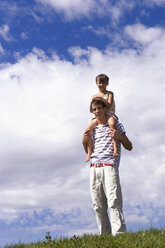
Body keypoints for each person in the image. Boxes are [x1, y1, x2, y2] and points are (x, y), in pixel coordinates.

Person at [82, 98, 132, 236]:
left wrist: (119, 137)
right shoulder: (91, 128)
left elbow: (129, 146)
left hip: (110, 165)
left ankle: (120, 234)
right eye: (94, 109)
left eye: (99, 108)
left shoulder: (116, 125)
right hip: (94, 167)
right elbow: (88, 150)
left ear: (105, 109)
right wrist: (84, 143)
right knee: (98, 206)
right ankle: (105, 236)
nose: (97, 111)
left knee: (114, 201)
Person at [85, 74, 118, 162]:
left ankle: (115, 148)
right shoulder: (94, 96)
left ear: (107, 83)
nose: (101, 85)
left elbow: (109, 104)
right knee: (88, 131)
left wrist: (101, 99)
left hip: (109, 114)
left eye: (103, 83)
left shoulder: (109, 93)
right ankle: (89, 153)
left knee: (112, 124)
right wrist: (94, 102)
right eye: (99, 83)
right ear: (96, 83)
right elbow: (91, 109)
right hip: (98, 116)